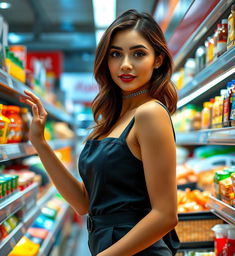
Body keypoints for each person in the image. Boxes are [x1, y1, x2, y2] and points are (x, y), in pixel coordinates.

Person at [20, 9, 178, 256]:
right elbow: (84, 203)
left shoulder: (150, 114)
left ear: (157, 60)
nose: (125, 64)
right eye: (116, 54)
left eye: (138, 53)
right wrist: (40, 143)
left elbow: (165, 215)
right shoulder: (110, 121)